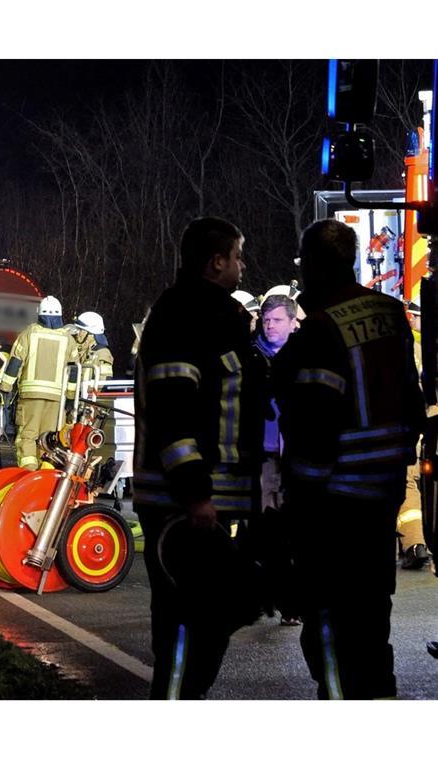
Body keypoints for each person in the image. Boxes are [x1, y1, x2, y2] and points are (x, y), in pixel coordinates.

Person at [273, 219, 425, 699]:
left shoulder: (319, 328)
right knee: (370, 619)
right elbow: (411, 401)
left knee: (328, 628)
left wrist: (298, 504)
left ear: (316, 264)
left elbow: (311, 423)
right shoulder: (389, 312)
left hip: (331, 504)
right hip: (382, 495)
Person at [134, 216, 267, 699]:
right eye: (237, 255)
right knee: (185, 634)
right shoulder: (183, 317)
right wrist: (195, 497)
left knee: (213, 626)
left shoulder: (213, 316)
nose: (242, 264)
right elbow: (173, 412)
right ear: (216, 262)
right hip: (184, 509)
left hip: (210, 504)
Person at [251, 294, 301, 626]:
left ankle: (291, 598)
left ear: (293, 322)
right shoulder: (252, 356)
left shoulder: (305, 355)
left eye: (277, 320)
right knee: (267, 527)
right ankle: (277, 598)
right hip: (264, 454)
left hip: (298, 452)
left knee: (295, 529)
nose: (270, 325)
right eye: (266, 320)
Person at [0, 295, 75, 471]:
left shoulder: (29, 333)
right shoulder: (69, 339)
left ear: (39, 313)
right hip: (57, 400)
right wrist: (70, 399)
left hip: (31, 398)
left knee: (28, 437)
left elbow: (15, 362)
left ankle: (28, 474)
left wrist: (5, 388)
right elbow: (74, 371)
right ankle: (47, 477)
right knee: (50, 440)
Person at [397, 301, 433, 570]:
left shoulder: (403, 349)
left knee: (408, 484)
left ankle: (415, 544)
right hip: (428, 425)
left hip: (414, 427)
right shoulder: (421, 348)